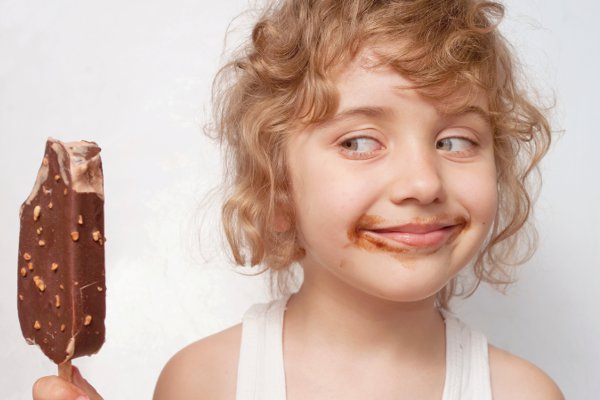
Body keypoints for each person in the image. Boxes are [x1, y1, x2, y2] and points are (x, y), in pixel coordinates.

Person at [33, 0, 565, 399]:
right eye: (359, 142)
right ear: (277, 185)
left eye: (455, 141)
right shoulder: (203, 383)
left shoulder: (525, 393)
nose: (423, 183)